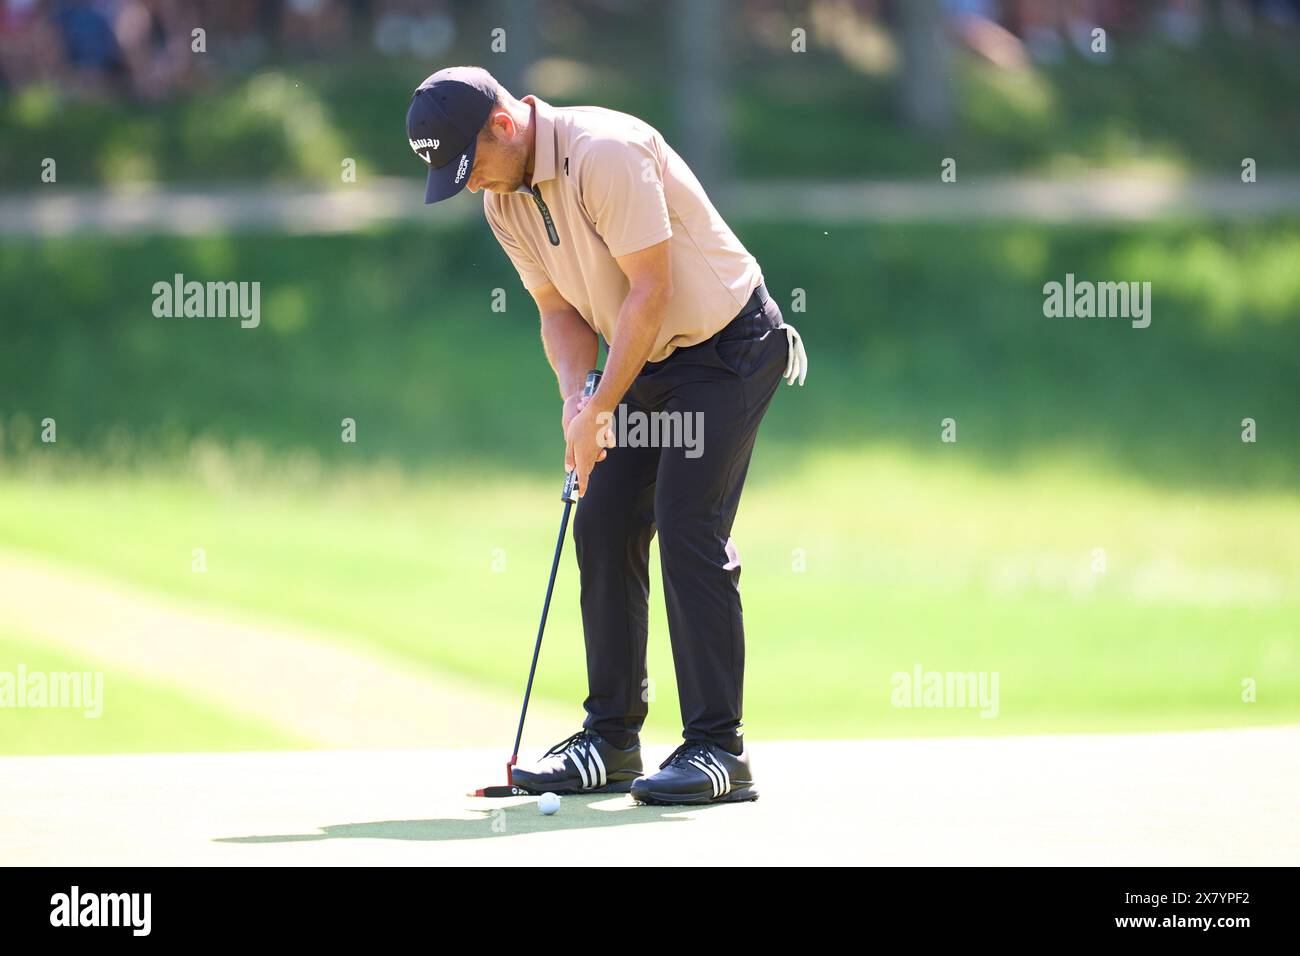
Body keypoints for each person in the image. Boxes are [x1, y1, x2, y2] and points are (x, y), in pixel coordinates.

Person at [407, 66, 806, 805]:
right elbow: (558, 311)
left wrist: (601, 412)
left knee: (689, 526)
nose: (469, 185)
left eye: (471, 165)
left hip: (725, 348)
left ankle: (719, 752)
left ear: (504, 123)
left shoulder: (603, 152)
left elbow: (650, 291)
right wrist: (575, 400)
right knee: (605, 523)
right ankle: (612, 740)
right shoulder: (504, 200)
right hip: (647, 355)